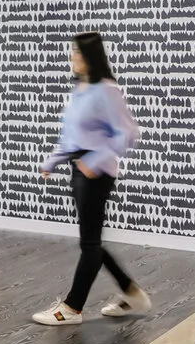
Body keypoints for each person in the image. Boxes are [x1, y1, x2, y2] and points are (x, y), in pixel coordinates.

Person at [31, 32, 148, 327]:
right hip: (79, 169)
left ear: (90, 57)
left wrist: (94, 162)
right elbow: (71, 136)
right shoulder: (81, 89)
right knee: (91, 242)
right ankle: (132, 293)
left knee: (90, 243)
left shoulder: (107, 90)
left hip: (97, 172)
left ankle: (72, 308)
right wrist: (52, 162)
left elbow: (128, 133)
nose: (73, 57)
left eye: (77, 53)